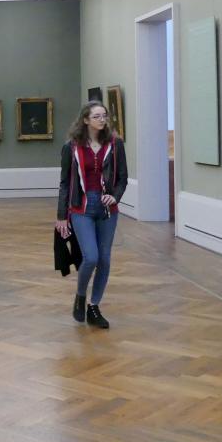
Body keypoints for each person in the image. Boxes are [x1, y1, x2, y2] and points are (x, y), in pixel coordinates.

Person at [55, 101, 128, 329]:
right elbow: (65, 183)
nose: (102, 119)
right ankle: (80, 295)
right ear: (85, 120)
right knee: (91, 257)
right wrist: (61, 215)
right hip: (81, 208)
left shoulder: (115, 144)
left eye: (104, 115)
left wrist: (115, 196)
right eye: (97, 116)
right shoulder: (71, 147)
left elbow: (123, 177)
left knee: (105, 259)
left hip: (107, 210)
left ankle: (94, 306)